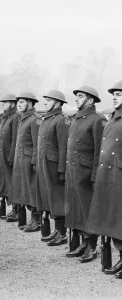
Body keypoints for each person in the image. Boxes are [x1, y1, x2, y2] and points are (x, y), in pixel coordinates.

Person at [65, 86, 105, 262]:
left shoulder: (97, 120)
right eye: (76, 96)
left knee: (88, 209)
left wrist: (96, 175)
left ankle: (92, 246)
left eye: (80, 96)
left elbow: (99, 151)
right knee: (78, 208)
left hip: (86, 172)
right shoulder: (77, 118)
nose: (76, 99)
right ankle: (84, 241)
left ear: (90, 100)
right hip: (74, 171)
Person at [86, 80, 122, 278]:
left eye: (119, 94)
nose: (115, 97)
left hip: (119, 176)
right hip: (108, 176)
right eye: (114, 94)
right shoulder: (112, 118)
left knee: (120, 219)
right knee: (113, 219)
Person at [36, 90, 70, 246]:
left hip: (54, 166)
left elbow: (64, 148)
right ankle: (57, 231)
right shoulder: (47, 119)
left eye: (49, 100)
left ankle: (62, 233)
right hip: (45, 165)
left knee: (58, 199)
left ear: (57, 103)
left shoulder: (61, 120)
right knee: (50, 198)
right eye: (46, 100)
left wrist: (62, 170)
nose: (45, 102)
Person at [9, 92, 41, 232]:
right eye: (18, 102)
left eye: (22, 102)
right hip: (20, 160)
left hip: (28, 162)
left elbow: (36, 144)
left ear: (30, 103)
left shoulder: (34, 119)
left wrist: (34, 162)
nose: (19, 105)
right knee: (23, 190)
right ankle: (30, 219)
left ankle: (37, 220)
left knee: (32, 190)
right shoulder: (23, 119)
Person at [0, 94, 18, 221]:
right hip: (2, 156)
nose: (2, 104)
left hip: (9, 156)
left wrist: (12, 157)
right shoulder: (5, 117)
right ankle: (5, 207)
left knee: (12, 182)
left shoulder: (15, 117)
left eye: (5, 102)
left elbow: (15, 139)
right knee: (4, 181)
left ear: (12, 104)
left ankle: (15, 209)